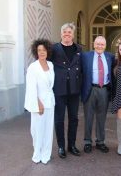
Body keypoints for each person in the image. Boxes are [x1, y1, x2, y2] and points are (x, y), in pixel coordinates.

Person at [50, 22, 82, 159]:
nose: (67, 34)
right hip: (59, 89)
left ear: (73, 35)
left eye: (69, 32)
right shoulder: (54, 49)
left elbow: (82, 68)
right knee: (59, 119)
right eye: (64, 32)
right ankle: (61, 146)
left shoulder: (79, 48)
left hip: (74, 90)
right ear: (61, 34)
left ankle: (72, 145)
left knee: (74, 118)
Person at [81, 36, 115, 154]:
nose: (99, 46)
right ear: (93, 44)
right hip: (90, 89)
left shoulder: (110, 56)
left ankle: (100, 141)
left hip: (104, 90)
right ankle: (87, 142)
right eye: (97, 44)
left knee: (102, 117)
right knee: (88, 117)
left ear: (105, 46)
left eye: (102, 44)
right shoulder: (85, 56)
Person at [24, 39, 55, 164]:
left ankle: (46, 154)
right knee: (37, 129)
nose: (42, 52)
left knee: (48, 129)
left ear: (47, 51)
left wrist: (47, 102)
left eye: (44, 50)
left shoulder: (51, 65)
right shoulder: (33, 67)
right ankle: (37, 153)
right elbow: (31, 87)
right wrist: (38, 103)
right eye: (39, 50)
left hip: (50, 102)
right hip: (38, 102)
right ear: (36, 52)